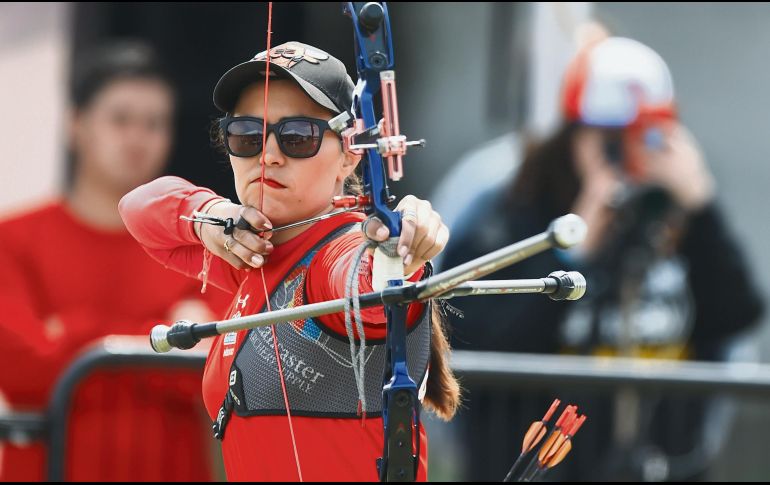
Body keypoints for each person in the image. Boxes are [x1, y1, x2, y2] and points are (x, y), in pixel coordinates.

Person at [119, 41, 460, 482]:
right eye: (247, 135)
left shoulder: (336, 253)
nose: (269, 155)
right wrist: (213, 217)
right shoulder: (254, 253)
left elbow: (362, 285)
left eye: (298, 137)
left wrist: (395, 250)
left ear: (351, 153)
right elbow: (138, 208)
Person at [441, 37, 764, 481]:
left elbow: (736, 314)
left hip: (661, 463)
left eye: (646, 135)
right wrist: (575, 252)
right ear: (574, 136)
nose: (630, 157)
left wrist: (701, 205)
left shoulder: (680, 216)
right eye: (611, 140)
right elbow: (475, 335)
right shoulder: (515, 210)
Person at [0, 41, 230, 481]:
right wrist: (163, 337)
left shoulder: (200, 247)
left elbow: (217, 376)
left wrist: (70, 333)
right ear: (76, 124)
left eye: (155, 123)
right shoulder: (12, 239)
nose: (138, 138)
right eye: (120, 119)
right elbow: (21, 370)